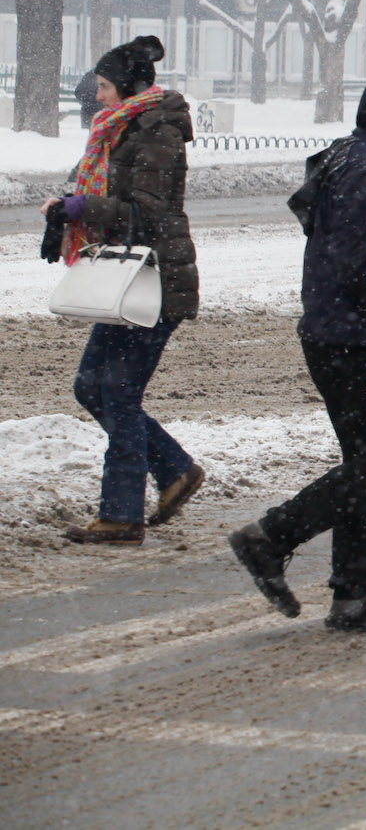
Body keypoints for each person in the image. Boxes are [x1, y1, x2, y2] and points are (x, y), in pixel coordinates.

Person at [228, 66, 366, 634]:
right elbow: (354, 261)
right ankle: (271, 538)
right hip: (357, 340)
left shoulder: (348, 159)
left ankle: (352, 597)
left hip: (336, 334)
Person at [40, 36, 204, 545]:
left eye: (106, 85)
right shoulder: (120, 128)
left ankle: (121, 514)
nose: (99, 94)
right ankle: (175, 469)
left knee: (118, 393)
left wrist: (81, 210)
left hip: (154, 283)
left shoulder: (157, 130)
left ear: (128, 86)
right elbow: (109, 194)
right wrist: (66, 207)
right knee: (92, 386)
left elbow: (148, 214)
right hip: (125, 276)